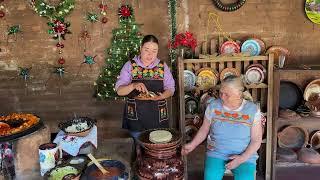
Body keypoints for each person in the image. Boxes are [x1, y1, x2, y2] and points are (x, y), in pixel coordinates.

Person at [182, 75, 263, 180]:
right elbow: (204, 130)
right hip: (217, 153)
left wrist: (242, 158)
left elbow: (256, 139)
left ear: (239, 94)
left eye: (227, 94)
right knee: (210, 177)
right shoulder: (213, 106)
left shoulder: (252, 110)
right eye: (221, 93)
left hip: (244, 155)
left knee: (245, 177)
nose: (222, 97)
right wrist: (192, 145)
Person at [115, 34, 175, 140]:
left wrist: (161, 96)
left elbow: (171, 89)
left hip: (158, 116)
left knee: (156, 147)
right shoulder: (130, 65)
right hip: (136, 117)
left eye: (154, 51)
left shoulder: (162, 66)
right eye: (146, 50)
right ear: (140, 48)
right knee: (139, 146)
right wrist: (133, 85)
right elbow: (119, 91)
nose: (150, 54)